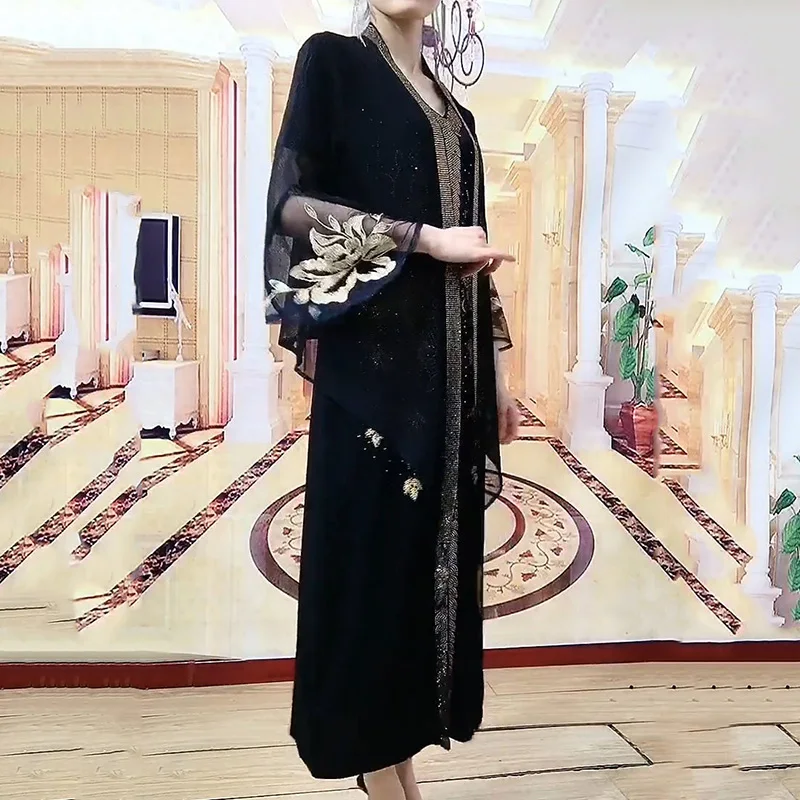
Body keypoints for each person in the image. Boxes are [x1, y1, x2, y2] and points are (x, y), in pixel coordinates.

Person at [264, 1, 522, 797]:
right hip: (373, 392)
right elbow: (293, 210)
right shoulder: (333, 63)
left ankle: (398, 774)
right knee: (373, 580)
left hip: (445, 392)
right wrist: (422, 240)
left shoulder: (459, 118)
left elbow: (477, 257)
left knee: (416, 582)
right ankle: (384, 782)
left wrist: (498, 374)